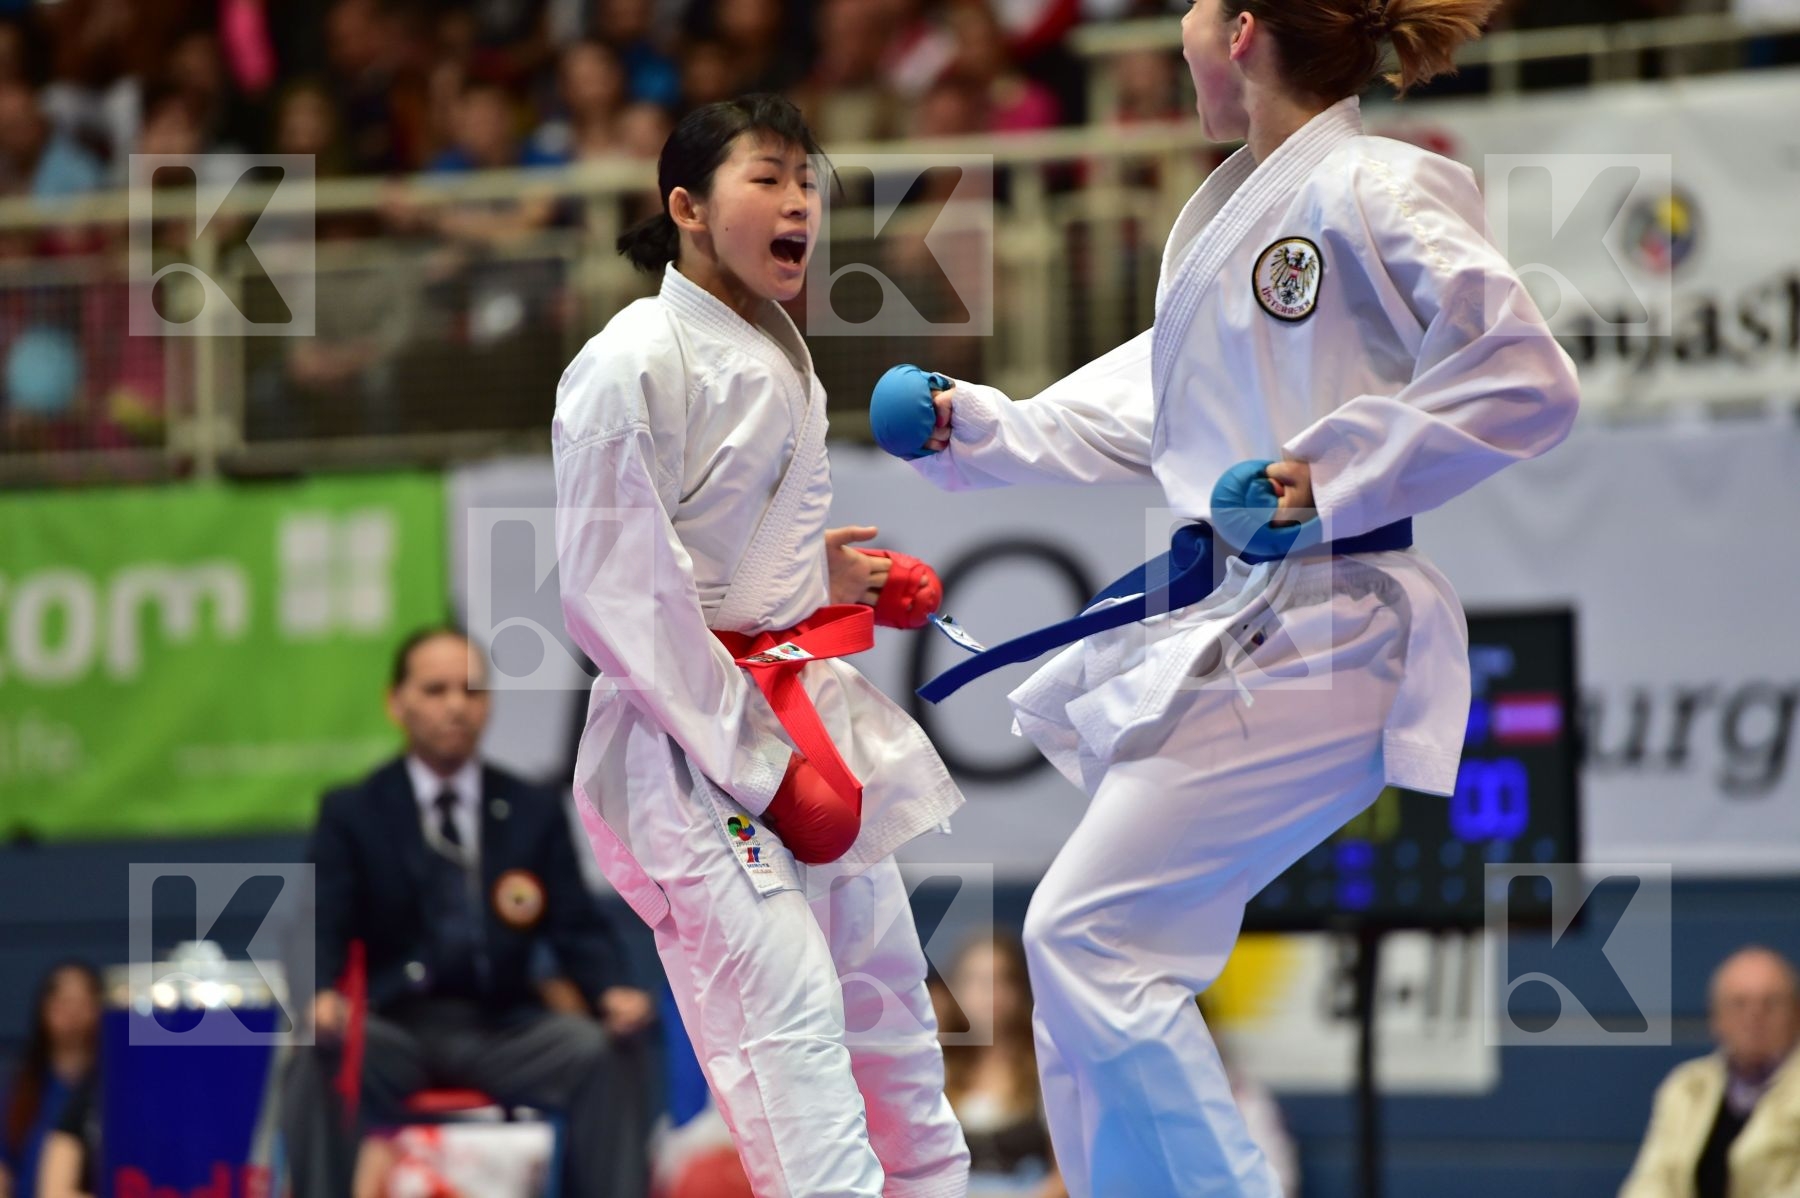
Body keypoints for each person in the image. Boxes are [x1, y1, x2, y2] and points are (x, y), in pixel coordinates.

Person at [880, 0, 1581, 1192]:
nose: (1179, 34)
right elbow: (1156, 402)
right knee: (1081, 966)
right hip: (1256, 620)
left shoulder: (1372, 182)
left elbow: (1527, 378)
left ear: (1242, 28)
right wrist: (982, 422)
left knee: (1086, 938)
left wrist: (1334, 473)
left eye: (1194, 11)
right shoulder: (1234, 213)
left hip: (1336, 619)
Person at [552, 93, 970, 1198]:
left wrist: (826, 584)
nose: (800, 202)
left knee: (892, 1024)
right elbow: (619, 596)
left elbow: (719, 555)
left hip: (796, 706)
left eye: (807, 181)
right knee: (790, 1040)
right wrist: (762, 767)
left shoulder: (778, 350)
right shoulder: (629, 362)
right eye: (769, 177)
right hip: (697, 749)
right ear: (686, 206)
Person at [282, 627, 654, 1198]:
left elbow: (578, 925)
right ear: (396, 702)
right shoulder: (354, 811)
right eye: (435, 690)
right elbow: (319, 918)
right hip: (396, 1026)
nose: (456, 704)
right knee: (318, 1055)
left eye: (471, 690)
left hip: (504, 1025)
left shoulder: (530, 808)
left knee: (604, 1055)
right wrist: (317, 995)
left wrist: (612, 990)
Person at [1620, 946, 1800, 1198]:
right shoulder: (1687, 1086)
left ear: (1796, 1014)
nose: (1754, 1015)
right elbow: (1652, 1179)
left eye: (1770, 1003)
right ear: (1717, 1018)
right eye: (1739, 1003)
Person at [938, 935, 1067, 1198]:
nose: (989, 994)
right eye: (976, 981)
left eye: (1001, 980)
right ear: (955, 992)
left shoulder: (1045, 1071)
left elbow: (1066, 1174)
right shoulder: (938, 1072)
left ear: (1020, 990)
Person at [0, 963, 100, 1198]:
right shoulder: (22, 1091)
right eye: (62, 1000)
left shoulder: (108, 1092)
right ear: (44, 1008)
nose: (73, 1012)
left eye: (83, 1001)